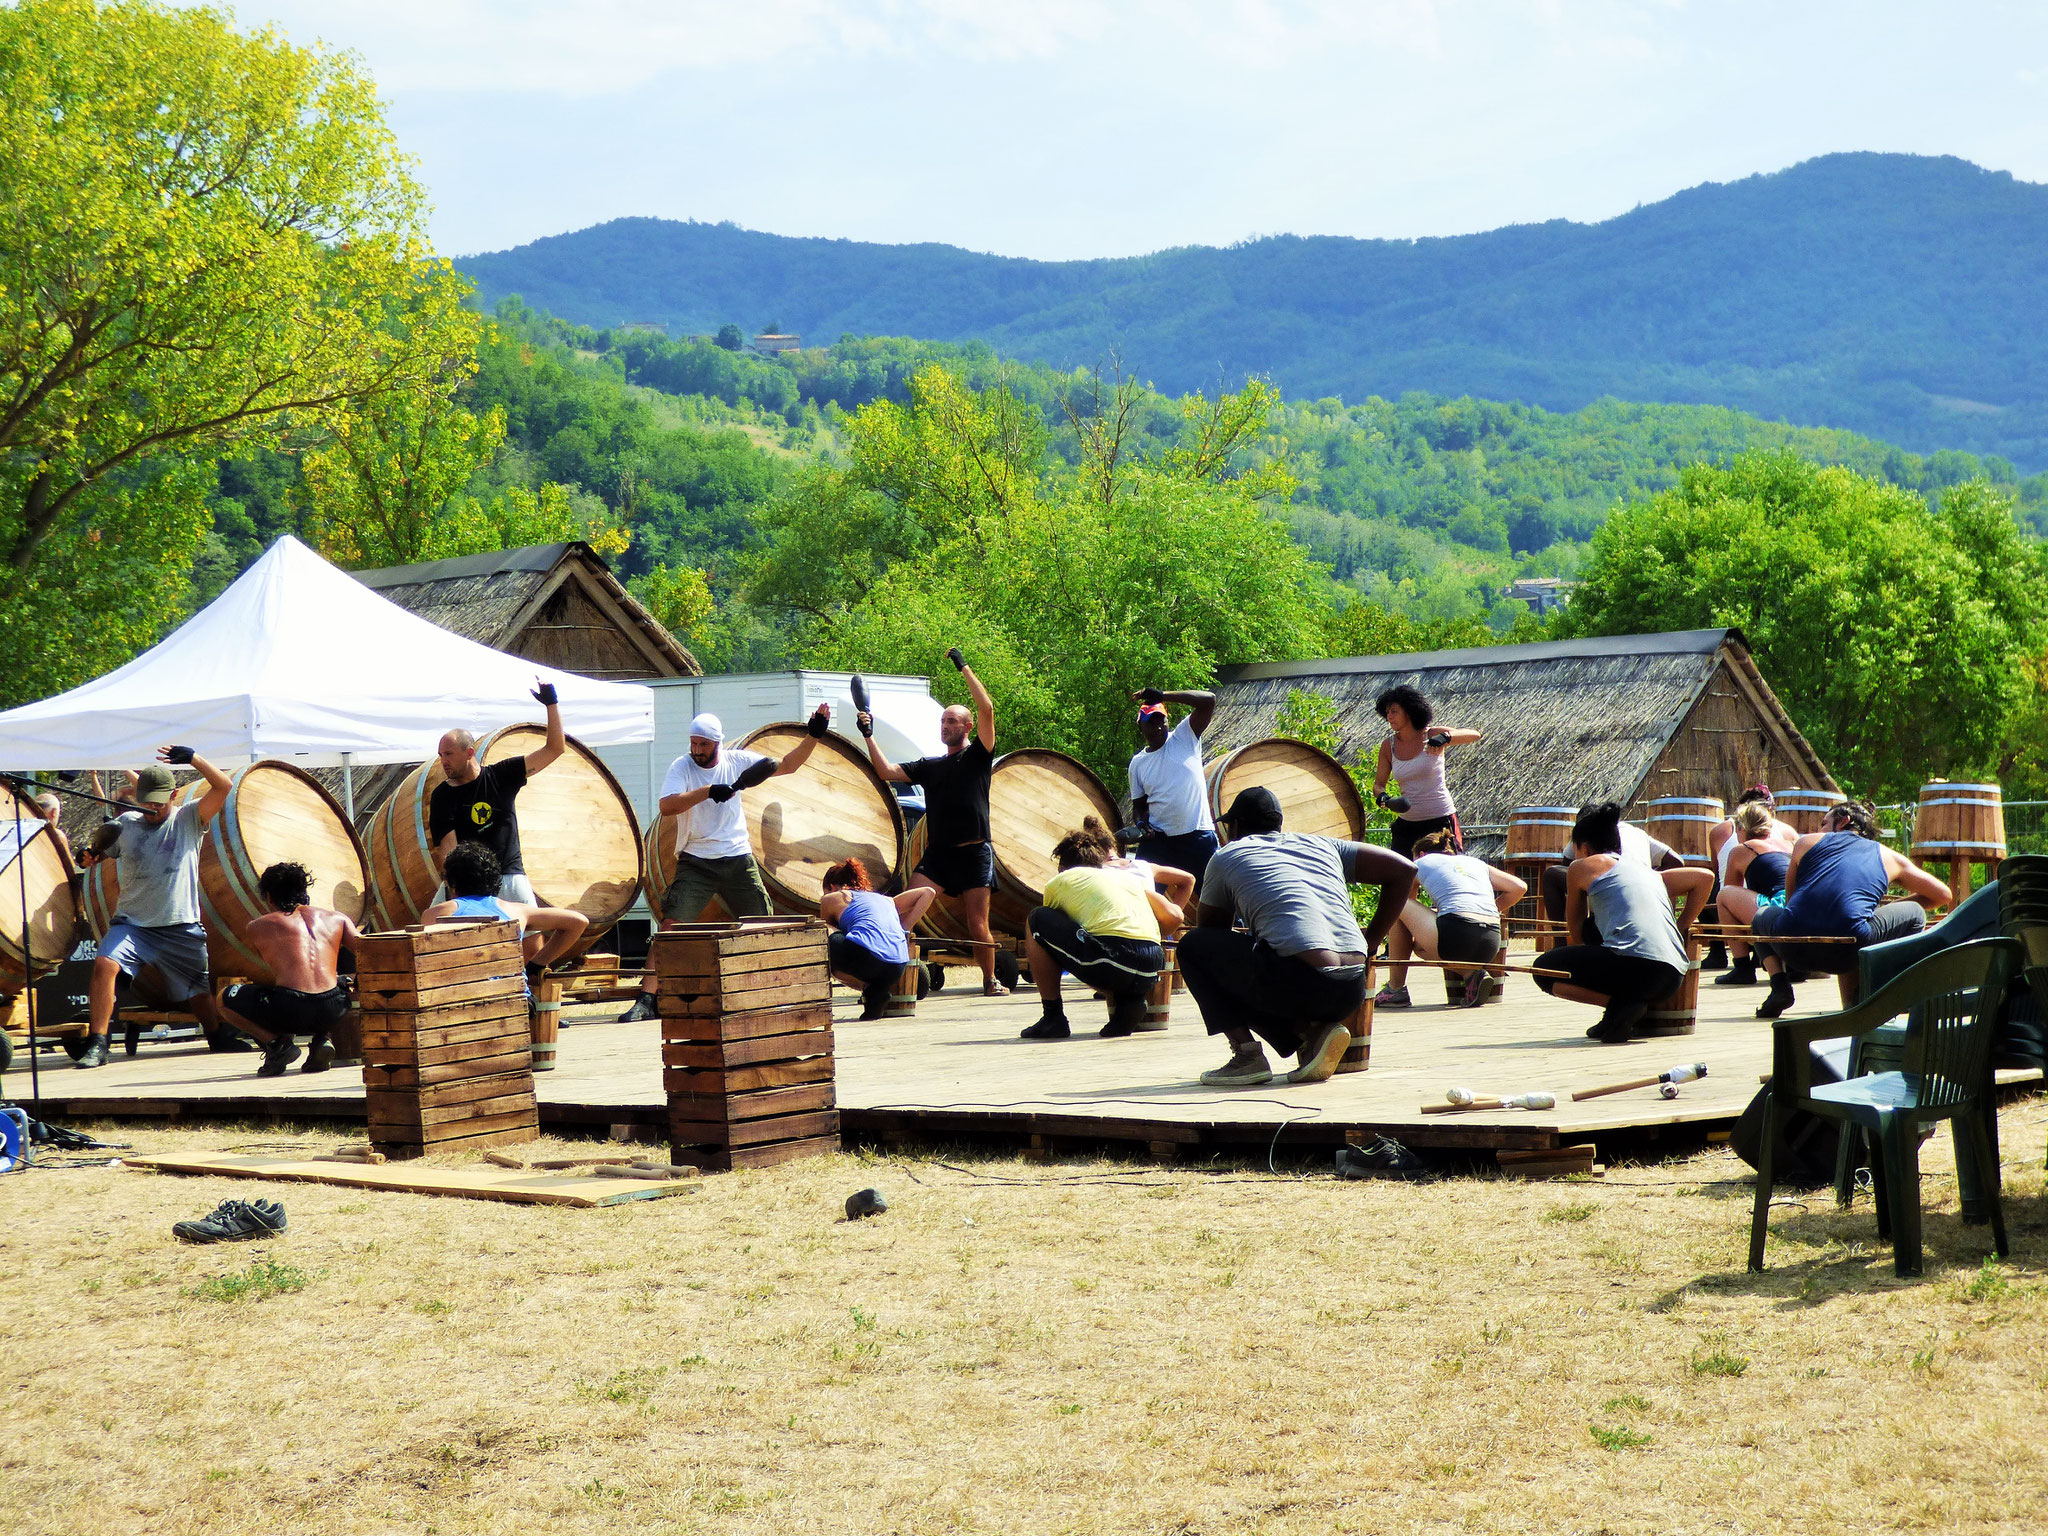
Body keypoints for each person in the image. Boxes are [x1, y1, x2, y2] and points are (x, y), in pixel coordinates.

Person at [1181, 786, 1417, 1086]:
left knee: (1192, 947)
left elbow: (1211, 932)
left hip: (1302, 983)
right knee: (1274, 958)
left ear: (1235, 826)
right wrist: (1371, 941)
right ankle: (1312, 1034)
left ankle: (1247, 1055)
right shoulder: (1322, 845)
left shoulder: (1228, 855)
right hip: (1352, 988)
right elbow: (1405, 869)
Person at [616, 707, 833, 1021]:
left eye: (703, 744)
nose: (696, 750)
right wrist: (706, 792)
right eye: (693, 743)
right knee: (671, 925)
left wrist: (814, 734)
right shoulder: (683, 766)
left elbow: (786, 765)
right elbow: (667, 806)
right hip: (696, 861)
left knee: (764, 924)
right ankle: (647, 999)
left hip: (738, 860)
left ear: (717, 743)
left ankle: (771, 993)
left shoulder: (737, 761)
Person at [860, 646, 1008, 996]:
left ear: (968, 726)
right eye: (943, 721)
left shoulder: (978, 757)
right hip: (939, 854)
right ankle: (891, 976)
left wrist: (964, 666)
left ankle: (990, 981)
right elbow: (886, 771)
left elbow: (987, 708)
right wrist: (868, 734)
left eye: (952, 721)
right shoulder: (931, 765)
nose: (946, 725)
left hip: (975, 853)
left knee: (977, 924)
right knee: (903, 911)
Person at [75, 749, 233, 1069]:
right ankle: (98, 1043)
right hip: (133, 924)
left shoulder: (190, 818)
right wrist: (87, 857)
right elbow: (97, 853)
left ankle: (216, 1035)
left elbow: (225, 787)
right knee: (105, 963)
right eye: (145, 802)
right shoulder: (125, 824)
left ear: (174, 795)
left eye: (158, 803)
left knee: (199, 992)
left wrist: (194, 758)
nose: (151, 809)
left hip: (180, 924)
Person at [1749, 799, 1948, 1018]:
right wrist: (1890, 908)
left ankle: (1780, 986)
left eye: (1825, 823)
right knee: (1913, 912)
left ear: (1844, 821)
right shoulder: (1889, 856)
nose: (1820, 830)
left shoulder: (1806, 842)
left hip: (1793, 948)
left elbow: (1791, 899)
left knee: (1761, 915)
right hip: (1852, 950)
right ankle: (1880, 990)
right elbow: (1942, 895)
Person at [1535, 802, 1712, 1043]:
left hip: (1634, 968)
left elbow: (1575, 933)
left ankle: (1619, 1006)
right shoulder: (1647, 872)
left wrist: (1585, 958)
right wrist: (1681, 926)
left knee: (1544, 970)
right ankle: (1617, 1015)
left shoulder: (1581, 867)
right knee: (1598, 934)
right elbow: (1706, 877)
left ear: (1583, 848)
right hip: (1673, 976)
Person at [1021, 827, 1184, 1041]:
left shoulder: (1061, 881)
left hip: (1112, 961)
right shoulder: (1127, 880)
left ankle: (1053, 1017)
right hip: (1153, 966)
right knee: (1108, 939)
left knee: (1037, 920)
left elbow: (1057, 936)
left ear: (1062, 866)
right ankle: (1129, 1001)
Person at [215, 862, 361, 1078]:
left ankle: (278, 1045)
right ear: (304, 891)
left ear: (270, 897)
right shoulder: (338, 918)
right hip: (335, 1008)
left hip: (291, 1009)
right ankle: (322, 1038)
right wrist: (353, 980)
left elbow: (266, 973)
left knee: (224, 998)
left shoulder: (258, 926)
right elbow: (372, 951)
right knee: (335, 983)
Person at [428, 678, 567, 903]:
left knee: (532, 934)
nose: (443, 761)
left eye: (449, 754)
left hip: (509, 875)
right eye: (441, 755)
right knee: (432, 927)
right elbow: (448, 849)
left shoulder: (502, 775)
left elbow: (555, 749)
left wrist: (551, 703)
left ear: (470, 752)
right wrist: (453, 887)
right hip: (469, 883)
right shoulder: (442, 795)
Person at [1376, 829, 1527, 1009]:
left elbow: (1408, 901)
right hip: (1490, 942)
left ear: (1421, 854)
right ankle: (1471, 974)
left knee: (1397, 903)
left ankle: (1395, 989)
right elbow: (1519, 887)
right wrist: (1494, 908)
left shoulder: (1421, 862)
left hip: (1456, 934)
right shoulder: (1475, 862)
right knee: (1421, 947)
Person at [421, 843, 589, 972]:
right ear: (495, 879)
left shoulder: (435, 914)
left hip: (456, 1001)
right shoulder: (518, 911)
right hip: (513, 1001)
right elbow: (579, 921)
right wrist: (537, 964)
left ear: (452, 882)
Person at [1370, 684, 1481, 860]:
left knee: (1450, 873)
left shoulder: (1431, 734)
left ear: (1409, 711)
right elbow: (1378, 785)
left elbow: (1475, 734)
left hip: (1441, 821)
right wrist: (1385, 799)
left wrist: (1445, 737)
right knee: (1402, 879)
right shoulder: (1388, 745)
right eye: (1387, 712)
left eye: (1394, 711)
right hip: (1407, 825)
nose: (1389, 717)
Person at [1123, 686, 1219, 886]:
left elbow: (1208, 700)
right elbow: (1139, 807)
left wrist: (1163, 695)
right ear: (1140, 727)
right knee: (1142, 892)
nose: (1158, 727)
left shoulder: (1184, 737)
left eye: (1162, 720)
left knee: (1217, 898)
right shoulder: (1138, 764)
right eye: (1151, 722)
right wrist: (1142, 824)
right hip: (1160, 841)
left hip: (1198, 835)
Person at [820, 858, 935, 1020]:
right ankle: (876, 993)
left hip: (866, 959)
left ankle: (867, 988)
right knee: (871, 962)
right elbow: (928, 892)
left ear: (831, 887)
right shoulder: (885, 899)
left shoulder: (831, 898)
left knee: (823, 938)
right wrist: (905, 929)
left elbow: (827, 931)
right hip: (898, 966)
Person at [1539, 810, 1684, 939]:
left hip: (1609, 894)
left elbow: (1571, 871)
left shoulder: (1586, 833)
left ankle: (1560, 941)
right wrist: (1649, 877)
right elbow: (1677, 861)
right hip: (1645, 906)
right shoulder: (1637, 833)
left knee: (1553, 875)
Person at [1703, 786, 1798, 972]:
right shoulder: (1789, 842)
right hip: (1800, 907)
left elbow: (1730, 889)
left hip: (1778, 910)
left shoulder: (1743, 848)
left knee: (1723, 896)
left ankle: (1742, 967)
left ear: (1740, 828)